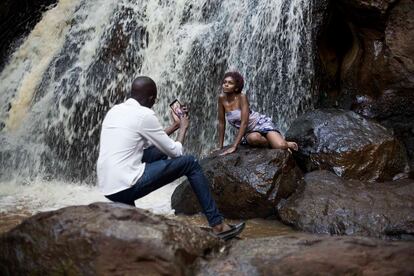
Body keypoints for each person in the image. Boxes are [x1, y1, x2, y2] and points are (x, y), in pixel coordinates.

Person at [97, 76, 244, 240]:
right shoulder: (144, 115)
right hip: (124, 186)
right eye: (155, 100)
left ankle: (129, 220)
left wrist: (174, 126)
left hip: (107, 186)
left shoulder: (115, 110)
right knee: (190, 163)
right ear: (152, 98)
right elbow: (176, 153)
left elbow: (149, 144)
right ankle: (218, 225)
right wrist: (183, 128)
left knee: (160, 150)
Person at [217, 71, 298, 155]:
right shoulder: (221, 98)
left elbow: (244, 123)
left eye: (230, 83)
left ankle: (285, 143)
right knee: (254, 139)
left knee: (281, 146)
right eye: (224, 82)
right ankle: (273, 142)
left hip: (260, 123)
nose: (226, 84)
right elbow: (221, 123)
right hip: (249, 131)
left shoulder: (242, 97)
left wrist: (234, 146)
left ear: (236, 88)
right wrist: (220, 147)